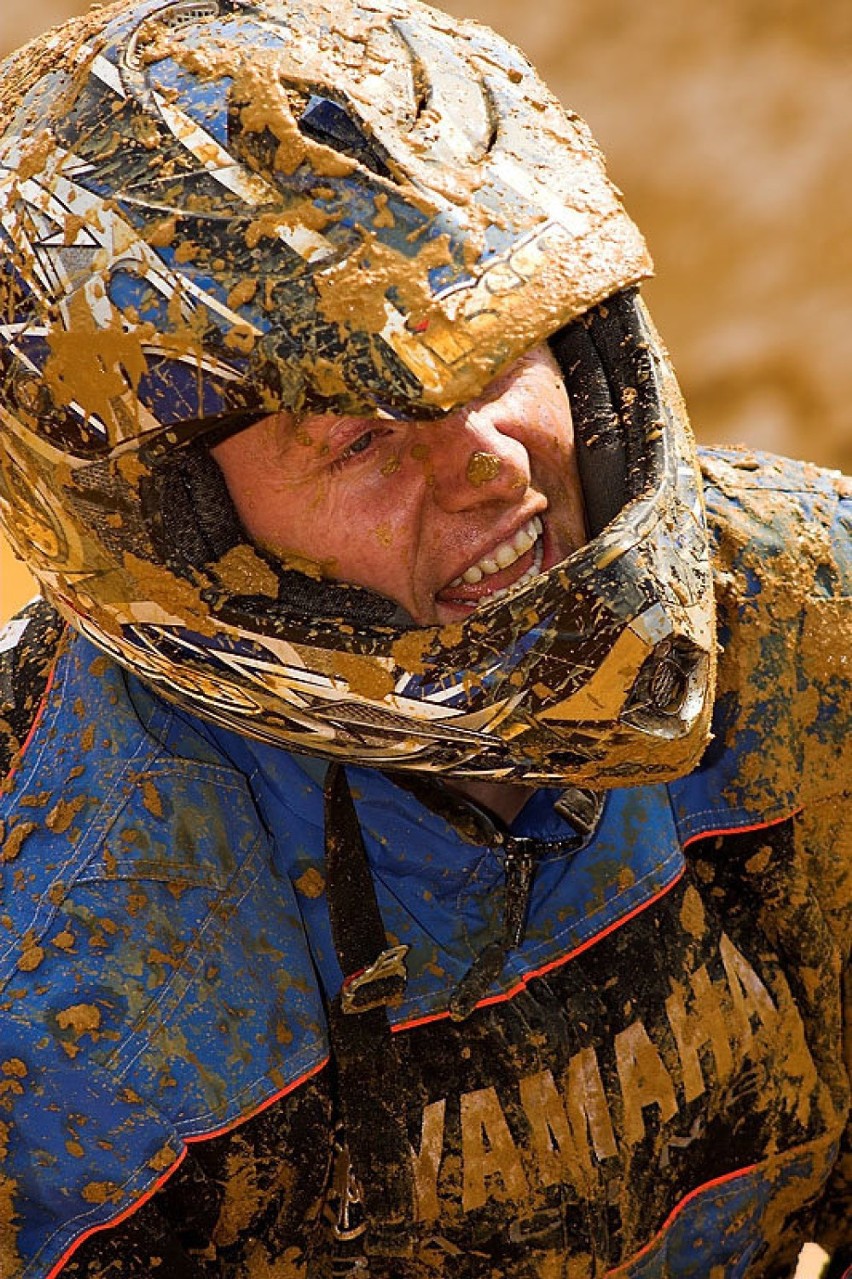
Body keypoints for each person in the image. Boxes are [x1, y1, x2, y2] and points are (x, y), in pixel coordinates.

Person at [0, 0, 848, 1275]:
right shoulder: (47, 951)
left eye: (498, 349)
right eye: (359, 435)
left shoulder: (808, 615)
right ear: (169, 529)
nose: (487, 463)